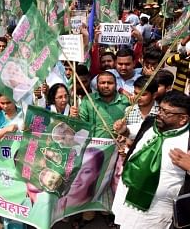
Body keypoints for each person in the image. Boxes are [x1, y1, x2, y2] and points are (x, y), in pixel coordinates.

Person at [112, 91, 190, 229]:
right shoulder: (151, 123)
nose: (159, 114)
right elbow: (134, 131)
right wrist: (124, 130)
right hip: (127, 197)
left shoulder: (188, 140)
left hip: (157, 212)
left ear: (183, 119)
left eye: (166, 112)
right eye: (160, 108)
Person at [54, 148, 104, 217]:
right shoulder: (53, 200)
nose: (76, 177)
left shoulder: (94, 200)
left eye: (86, 171)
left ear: (96, 174)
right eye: (74, 168)